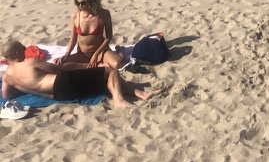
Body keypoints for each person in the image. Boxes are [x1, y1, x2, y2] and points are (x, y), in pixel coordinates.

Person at [2, 41, 161, 109]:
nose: (25, 50)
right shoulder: (31, 63)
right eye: (22, 49)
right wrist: (81, 66)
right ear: (15, 53)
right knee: (110, 71)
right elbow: (58, 70)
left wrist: (26, 86)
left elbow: (7, 95)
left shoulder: (7, 77)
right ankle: (119, 101)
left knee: (105, 81)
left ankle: (142, 94)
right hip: (63, 84)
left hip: (57, 95)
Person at [54, 0, 123, 70]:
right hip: (82, 54)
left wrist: (96, 54)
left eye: (83, 3)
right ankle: (99, 65)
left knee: (117, 64)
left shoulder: (104, 14)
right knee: (57, 64)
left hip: (100, 52)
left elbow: (109, 37)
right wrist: (67, 54)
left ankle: (120, 52)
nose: (80, 6)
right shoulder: (75, 16)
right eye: (78, 3)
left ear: (91, 1)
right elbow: (73, 39)